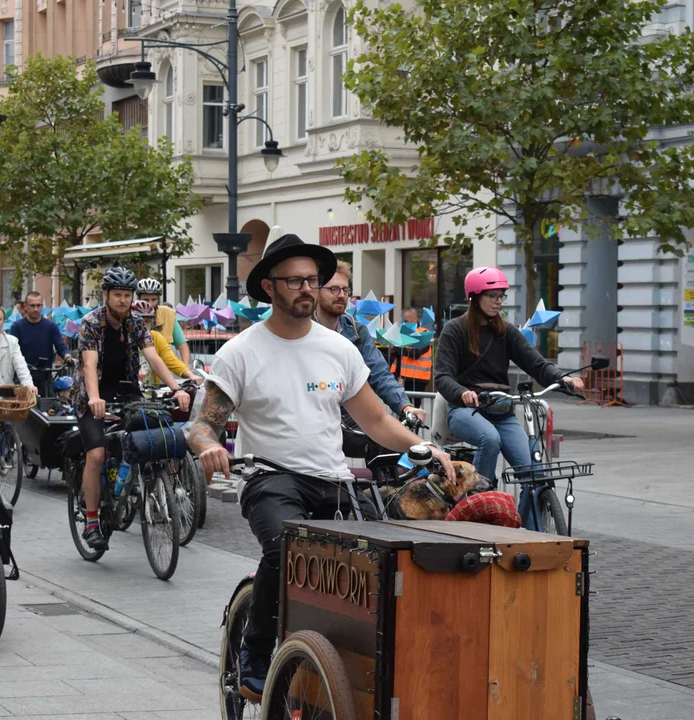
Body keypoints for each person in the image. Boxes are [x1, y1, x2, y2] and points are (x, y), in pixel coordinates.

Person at [187, 234, 454, 702]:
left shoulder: (339, 349)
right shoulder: (241, 352)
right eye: (296, 281)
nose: (308, 289)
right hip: (269, 477)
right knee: (285, 549)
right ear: (270, 288)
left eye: (313, 279)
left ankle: (356, 665)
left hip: (332, 481)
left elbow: (375, 420)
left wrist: (425, 448)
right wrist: (210, 446)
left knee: (374, 564)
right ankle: (254, 650)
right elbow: (203, 425)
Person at [74, 267, 192, 551]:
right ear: (106, 295)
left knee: (152, 435)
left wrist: (176, 388)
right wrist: (94, 397)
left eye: (127, 295)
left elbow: (153, 357)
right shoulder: (91, 323)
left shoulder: (137, 323)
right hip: (93, 395)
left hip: (128, 391)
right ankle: (91, 520)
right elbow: (89, 364)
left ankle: (133, 482)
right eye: (117, 295)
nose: (123, 300)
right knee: (97, 454)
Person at [433, 267, 584, 482]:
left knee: (534, 474)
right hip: (465, 410)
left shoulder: (506, 332)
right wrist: (462, 392)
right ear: (474, 297)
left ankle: (532, 512)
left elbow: (536, 363)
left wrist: (562, 378)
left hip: (501, 412)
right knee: (490, 438)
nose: (498, 301)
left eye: (501, 296)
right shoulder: (454, 330)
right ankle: (480, 498)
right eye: (492, 296)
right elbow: (442, 377)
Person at [313, 261, 426, 454]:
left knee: (390, 443)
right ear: (316, 292)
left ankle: (383, 486)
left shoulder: (357, 331)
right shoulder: (303, 329)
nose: (341, 295)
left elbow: (380, 373)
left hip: (348, 413)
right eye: (333, 289)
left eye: (345, 290)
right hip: (313, 418)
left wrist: (405, 406)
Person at [132, 300, 203, 387]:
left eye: (147, 321)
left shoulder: (155, 337)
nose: (143, 326)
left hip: (151, 394)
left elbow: (172, 361)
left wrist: (191, 375)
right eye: (139, 321)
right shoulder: (123, 337)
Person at [10, 291, 72, 370]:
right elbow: (12, 351)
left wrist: (68, 358)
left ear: (42, 306)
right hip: (22, 375)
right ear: (25, 306)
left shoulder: (51, 326)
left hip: (45, 375)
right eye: (32, 306)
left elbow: (61, 347)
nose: (36, 309)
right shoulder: (17, 327)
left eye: (38, 305)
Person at [136, 278, 192, 366]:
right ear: (138, 299)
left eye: (154, 299)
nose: (150, 304)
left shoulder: (168, 314)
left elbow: (182, 346)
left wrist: (186, 367)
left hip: (164, 372)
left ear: (159, 300)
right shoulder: (129, 315)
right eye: (146, 300)